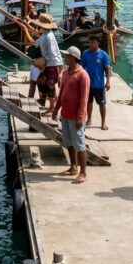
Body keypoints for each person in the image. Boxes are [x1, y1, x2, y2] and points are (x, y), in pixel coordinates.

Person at [52, 46, 89, 184]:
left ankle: (83, 172)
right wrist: (56, 109)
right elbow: (61, 94)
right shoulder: (67, 73)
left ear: (74, 58)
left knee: (80, 144)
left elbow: (84, 99)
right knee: (68, 142)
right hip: (65, 115)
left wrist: (80, 117)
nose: (65, 58)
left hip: (75, 117)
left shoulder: (83, 75)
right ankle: (73, 167)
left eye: (67, 56)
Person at [80, 36, 112, 130]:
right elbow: (81, 67)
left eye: (94, 42)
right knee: (88, 102)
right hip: (88, 84)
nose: (91, 44)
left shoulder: (103, 54)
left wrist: (108, 82)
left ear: (98, 43)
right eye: (90, 43)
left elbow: (107, 68)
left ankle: (103, 122)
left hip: (99, 84)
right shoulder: (86, 53)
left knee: (102, 103)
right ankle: (89, 119)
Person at [33, 14, 63, 115]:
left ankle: (52, 106)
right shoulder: (47, 33)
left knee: (49, 85)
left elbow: (52, 54)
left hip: (52, 64)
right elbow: (37, 42)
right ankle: (51, 101)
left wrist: (43, 65)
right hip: (50, 63)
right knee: (40, 81)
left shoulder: (48, 37)